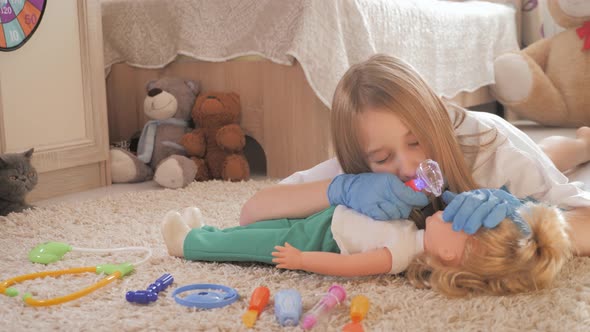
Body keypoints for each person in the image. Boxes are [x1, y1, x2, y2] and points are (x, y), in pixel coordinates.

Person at [239, 54, 590, 258]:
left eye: (417, 141)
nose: (408, 166)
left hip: (491, 137)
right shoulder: (358, 173)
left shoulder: (494, 150)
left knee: (542, 160)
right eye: (381, 157)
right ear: (361, 159)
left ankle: (581, 145)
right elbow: (251, 213)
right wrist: (339, 188)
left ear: (435, 124)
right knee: (543, 158)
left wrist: (526, 216)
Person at [162, 201, 571, 297]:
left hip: (319, 241)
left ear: (449, 255)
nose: (448, 210)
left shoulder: (397, 253)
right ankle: (210, 230)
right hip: (325, 220)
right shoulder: (413, 231)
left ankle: (189, 244)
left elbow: (349, 266)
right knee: (261, 225)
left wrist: (303, 260)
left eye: (457, 223)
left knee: (252, 244)